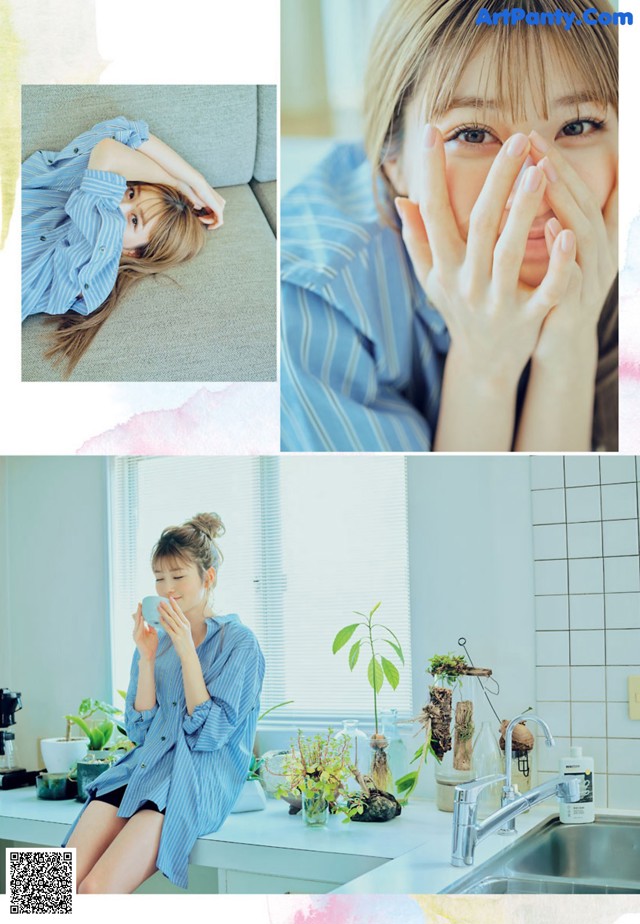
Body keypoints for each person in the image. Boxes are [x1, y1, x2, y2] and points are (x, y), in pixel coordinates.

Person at [281, 0, 618, 452]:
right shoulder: (310, 308)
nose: (531, 188)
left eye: (577, 126)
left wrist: (570, 341)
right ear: (392, 160)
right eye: (473, 134)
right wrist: (484, 364)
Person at [62, 513, 265, 893]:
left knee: (93, 891)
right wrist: (147, 656)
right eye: (158, 578)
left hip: (190, 778)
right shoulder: (156, 640)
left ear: (208, 578)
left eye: (178, 576)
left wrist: (187, 648)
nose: (167, 588)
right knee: (41, 890)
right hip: (140, 768)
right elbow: (140, 731)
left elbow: (210, 734)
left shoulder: (239, 642)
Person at [22, 116, 226, 375]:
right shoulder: (72, 195)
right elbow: (123, 132)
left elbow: (109, 152)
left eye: (134, 220)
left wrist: (180, 184)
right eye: (131, 193)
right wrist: (190, 183)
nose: (120, 203)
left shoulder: (95, 263)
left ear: (134, 252)